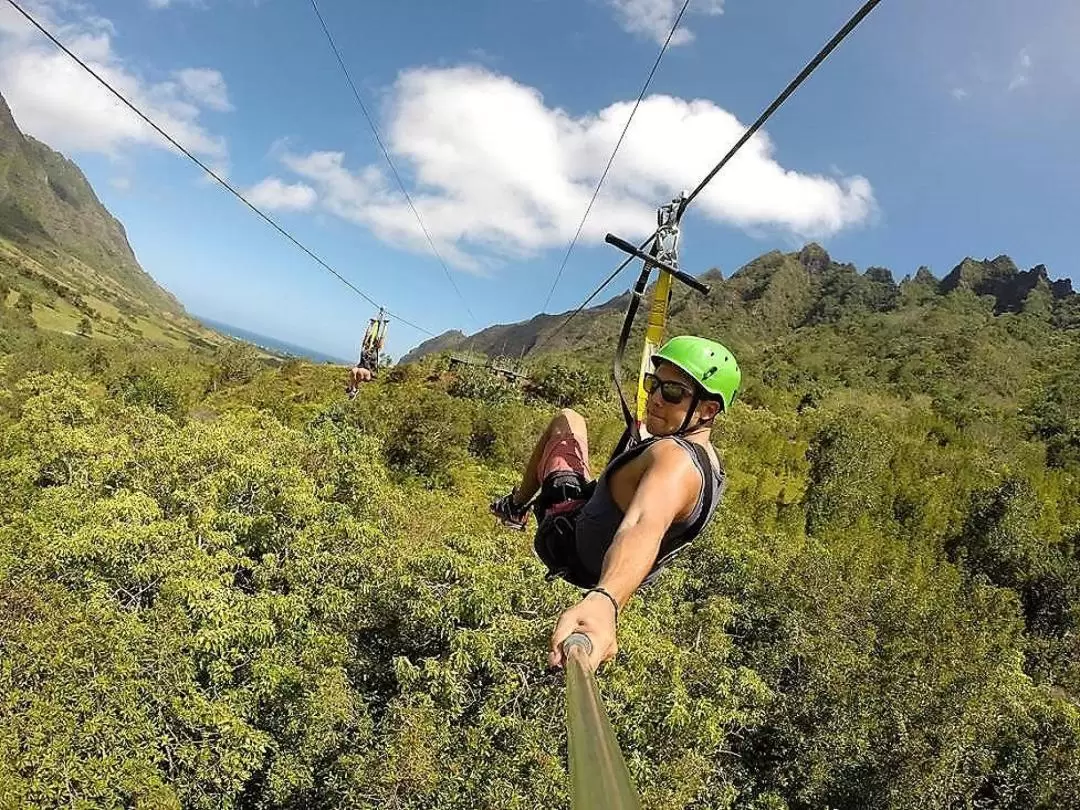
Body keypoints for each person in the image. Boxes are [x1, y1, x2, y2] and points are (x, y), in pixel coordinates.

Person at [489, 336, 740, 672]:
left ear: (708, 410)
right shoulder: (711, 467)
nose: (654, 399)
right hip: (601, 558)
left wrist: (605, 601)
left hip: (567, 543)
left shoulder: (674, 461)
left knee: (568, 419)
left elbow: (643, 524)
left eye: (672, 393)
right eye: (654, 385)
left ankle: (516, 506)